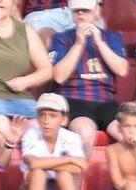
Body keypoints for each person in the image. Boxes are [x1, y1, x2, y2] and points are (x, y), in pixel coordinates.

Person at [0, 0, 54, 150]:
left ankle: (37, 171)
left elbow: (46, 69)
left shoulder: (26, 30)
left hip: (22, 100)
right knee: (1, 129)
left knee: (39, 132)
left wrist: (26, 81)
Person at [49, 0, 129, 149]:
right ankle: (80, 172)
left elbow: (122, 70)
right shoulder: (61, 38)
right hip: (72, 99)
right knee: (85, 133)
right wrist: (79, 44)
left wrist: (99, 42)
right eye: (76, 10)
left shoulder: (112, 38)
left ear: (97, 11)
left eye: (85, 10)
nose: (80, 14)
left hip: (105, 101)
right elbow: (59, 77)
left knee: (129, 135)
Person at [20, 93, 88, 190]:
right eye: (43, 116)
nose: (46, 121)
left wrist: (46, 163)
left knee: (64, 175)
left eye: (52, 116)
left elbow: (80, 168)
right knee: (38, 174)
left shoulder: (71, 138)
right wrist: (69, 159)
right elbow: (33, 164)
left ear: (63, 119)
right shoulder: (31, 135)